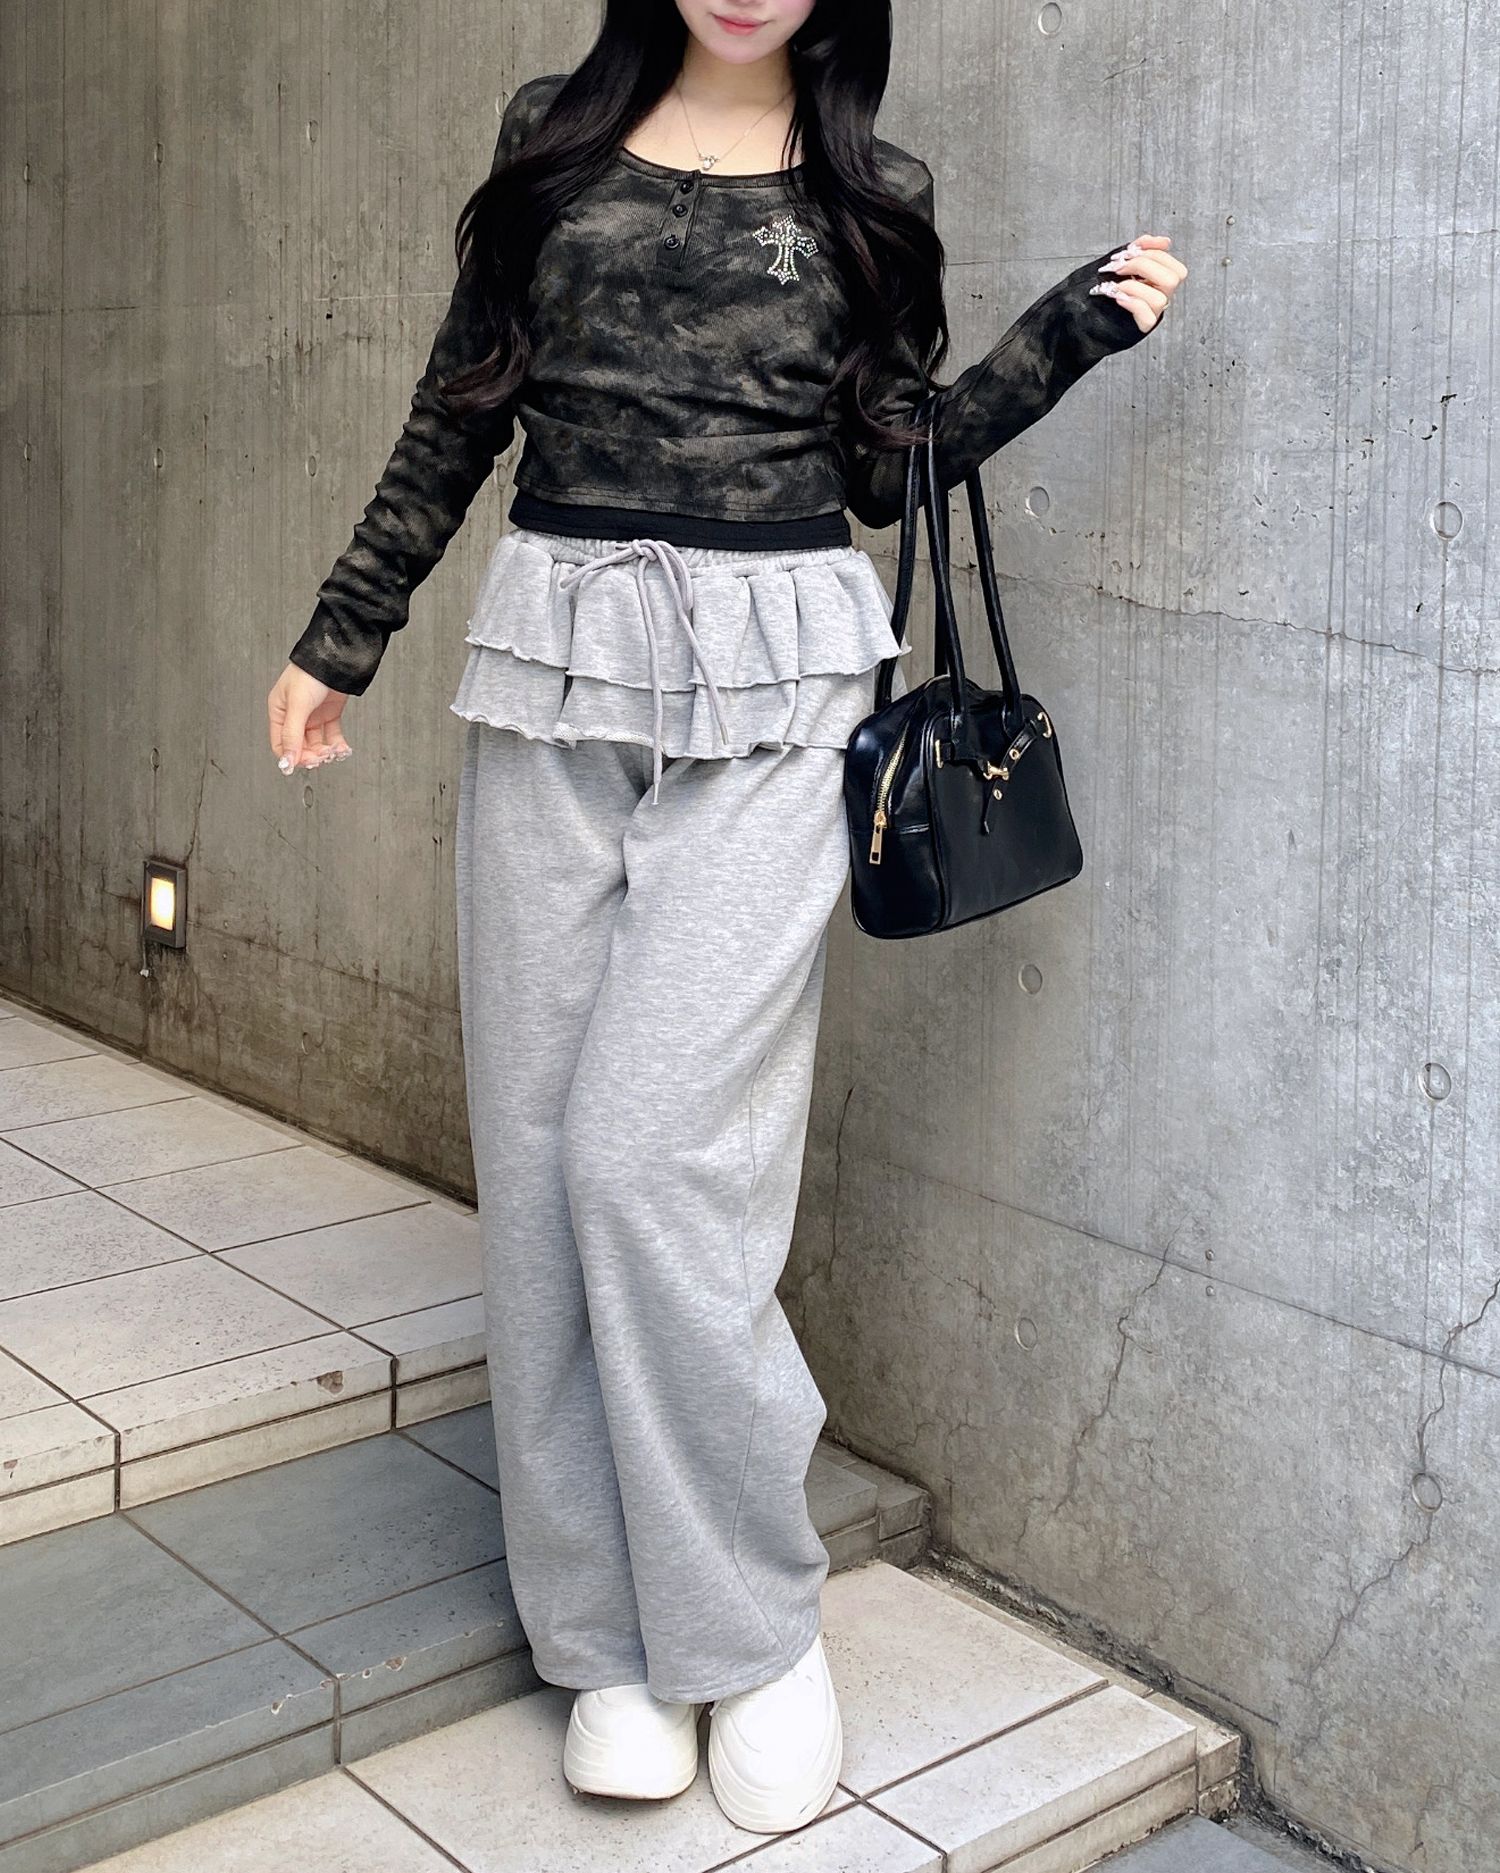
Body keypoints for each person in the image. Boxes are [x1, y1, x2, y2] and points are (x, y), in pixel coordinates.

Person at [265, 0, 1184, 1838]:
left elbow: (887, 461)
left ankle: (747, 1623)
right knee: (542, 1173)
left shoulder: (873, 188)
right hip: (554, 667)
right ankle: (604, 1639)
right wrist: (342, 632)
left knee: (650, 1157)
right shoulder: (551, 137)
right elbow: (463, 404)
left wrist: (1063, 340)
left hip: (779, 684)